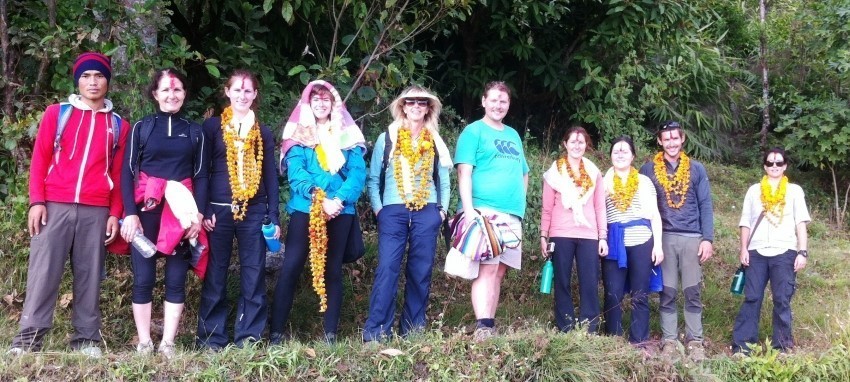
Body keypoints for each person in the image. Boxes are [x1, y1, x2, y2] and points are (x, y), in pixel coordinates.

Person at [8, 52, 129, 357]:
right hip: (54, 205)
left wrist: (115, 213)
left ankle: (86, 341)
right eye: (86, 76)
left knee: (89, 276)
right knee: (43, 274)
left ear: (107, 82)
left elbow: (118, 174)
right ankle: (27, 343)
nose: (92, 82)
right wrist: (36, 201)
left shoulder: (118, 125)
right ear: (78, 81)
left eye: (99, 76)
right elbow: (40, 160)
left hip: (96, 210)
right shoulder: (57, 114)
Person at [119, 68, 209, 358]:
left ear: (185, 94)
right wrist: (130, 213)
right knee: (143, 278)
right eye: (166, 90)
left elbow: (201, 176)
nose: (172, 95)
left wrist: (198, 216)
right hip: (146, 212)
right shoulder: (141, 128)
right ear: (155, 94)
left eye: (178, 89)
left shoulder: (195, 131)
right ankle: (144, 342)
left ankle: (168, 343)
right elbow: (127, 172)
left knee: (175, 279)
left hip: (181, 214)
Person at [270, 80, 366, 343]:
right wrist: (320, 198)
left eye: (327, 99)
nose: (322, 103)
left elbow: (357, 174)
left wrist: (338, 200)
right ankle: (276, 333)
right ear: (308, 105)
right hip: (306, 208)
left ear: (334, 103)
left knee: (333, 270)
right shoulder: (298, 136)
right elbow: (296, 172)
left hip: (340, 210)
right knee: (291, 266)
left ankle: (330, 335)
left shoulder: (348, 134)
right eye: (316, 100)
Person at [196, 70, 280, 350]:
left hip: (254, 210)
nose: (242, 95)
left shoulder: (263, 132)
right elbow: (202, 172)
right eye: (237, 90)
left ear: (255, 95)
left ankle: (249, 337)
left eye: (248, 91)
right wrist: (203, 208)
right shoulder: (212, 127)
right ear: (227, 92)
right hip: (217, 212)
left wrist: (274, 215)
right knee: (216, 273)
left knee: (253, 273)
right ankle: (212, 339)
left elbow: (270, 177)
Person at [362, 86, 452, 342]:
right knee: (387, 269)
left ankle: (412, 330)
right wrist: (379, 209)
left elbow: (444, 180)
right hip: (393, 210)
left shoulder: (435, 140)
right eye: (410, 102)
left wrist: (442, 211)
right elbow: (373, 179)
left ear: (428, 108)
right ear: (402, 106)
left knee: (420, 271)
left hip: (428, 210)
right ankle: (377, 332)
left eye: (421, 103)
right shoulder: (387, 137)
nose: (416, 106)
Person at [454, 81, 529, 342]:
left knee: (499, 270)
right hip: (484, 209)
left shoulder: (513, 135)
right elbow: (464, 172)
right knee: (487, 267)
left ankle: (490, 323)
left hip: (512, 214)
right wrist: (468, 210)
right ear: (484, 101)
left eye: (503, 101)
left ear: (509, 105)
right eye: (494, 100)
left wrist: (521, 203)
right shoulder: (473, 132)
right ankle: (483, 326)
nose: (498, 105)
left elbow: (524, 172)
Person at [639, 120, 714, 361]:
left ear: (682, 139)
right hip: (664, 238)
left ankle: (695, 341)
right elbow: (641, 205)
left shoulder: (697, 169)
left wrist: (707, 239)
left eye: (675, 137)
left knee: (692, 292)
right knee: (667, 291)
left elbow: (705, 205)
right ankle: (669, 340)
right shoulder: (648, 169)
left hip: (692, 237)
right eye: (666, 138)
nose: (671, 142)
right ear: (660, 141)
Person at [732, 147, 809, 354]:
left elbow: (800, 223)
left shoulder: (794, 191)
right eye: (770, 162)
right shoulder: (753, 190)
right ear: (765, 165)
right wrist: (743, 249)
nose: (774, 166)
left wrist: (802, 252)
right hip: (756, 252)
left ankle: (782, 347)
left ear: (785, 165)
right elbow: (745, 223)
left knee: (782, 299)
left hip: (785, 252)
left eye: (779, 162)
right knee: (752, 297)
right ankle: (743, 346)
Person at [539, 126, 607, 333]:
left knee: (590, 282)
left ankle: (589, 327)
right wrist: (544, 235)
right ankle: (565, 326)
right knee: (562, 282)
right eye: (573, 141)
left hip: (588, 234)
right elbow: (547, 207)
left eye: (581, 141)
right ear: (565, 144)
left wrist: (602, 236)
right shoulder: (554, 172)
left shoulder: (594, 172)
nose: (577, 145)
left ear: (586, 145)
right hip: (561, 233)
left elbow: (599, 206)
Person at [601, 136, 663, 346]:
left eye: (624, 151)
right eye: (616, 151)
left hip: (642, 241)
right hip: (614, 242)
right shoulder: (603, 182)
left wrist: (658, 246)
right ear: (610, 155)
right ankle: (613, 340)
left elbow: (654, 215)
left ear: (633, 156)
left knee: (640, 294)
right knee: (613, 293)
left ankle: (639, 340)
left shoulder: (644, 182)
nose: (620, 154)